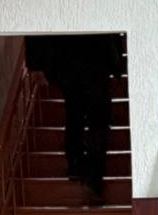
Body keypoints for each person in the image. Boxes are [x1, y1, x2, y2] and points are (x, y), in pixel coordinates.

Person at [26, 34, 124, 203]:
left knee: (76, 112)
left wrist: (36, 64)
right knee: (96, 118)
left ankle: (76, 163)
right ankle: (90, 174)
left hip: (70, 57)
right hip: (91, 56)